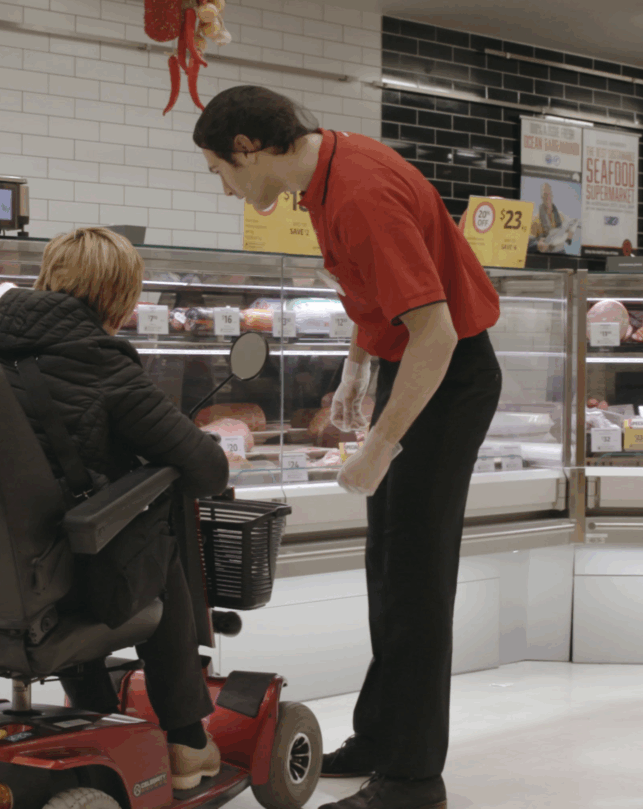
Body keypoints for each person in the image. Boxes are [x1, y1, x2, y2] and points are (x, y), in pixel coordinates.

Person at [193, 87, 503, 809]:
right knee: (388, 565)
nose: (225, 186)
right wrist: (355, 376)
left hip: (446, 380)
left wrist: (383, 442)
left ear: (247, 148)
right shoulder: (327, 176)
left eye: (220, 170)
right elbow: (380, 302)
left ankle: (413, 778)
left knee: (417, 580)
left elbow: (437, 333)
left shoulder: (359, 192)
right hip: (415, 366)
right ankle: (382, 736)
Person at [0, 227, 228, 791]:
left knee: (81, 539)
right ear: (119, 297)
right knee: (154, 546)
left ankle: (94, 708)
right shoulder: (102, 363)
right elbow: (207, 469)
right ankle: (186, 741)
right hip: (66, 575)